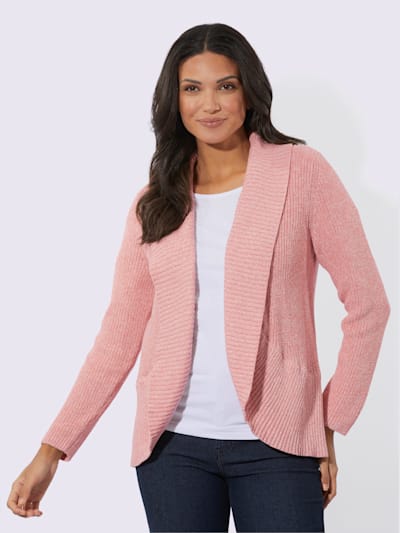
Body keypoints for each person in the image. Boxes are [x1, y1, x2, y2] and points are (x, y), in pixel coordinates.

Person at [7, 23, 390, 533]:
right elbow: (118, 337)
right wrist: (52, 450)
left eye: (225, 86)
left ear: (249, 92)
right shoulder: (156, 201)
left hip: (277, 445)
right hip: (173, 450)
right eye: (192, 88)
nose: (209, 104)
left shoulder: (302, 172)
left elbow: (369, 306)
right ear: (175, 99)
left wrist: (328, 422)